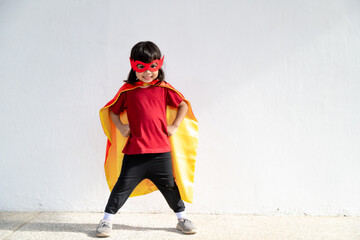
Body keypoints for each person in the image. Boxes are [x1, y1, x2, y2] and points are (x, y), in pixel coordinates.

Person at [97, 41, 199, 237]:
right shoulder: (128, 91)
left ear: (159, 65)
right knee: (121, 187)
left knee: (170, 186)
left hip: (161, 152)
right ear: (133, 65)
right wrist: (121, 127)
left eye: (153, 66)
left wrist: (175, 125)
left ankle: (182, 218)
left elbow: (183, 105)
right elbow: (113, 112)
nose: (147, 72)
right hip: (135, 152)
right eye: (141, 67)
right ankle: (106, 220)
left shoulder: (164, 89)